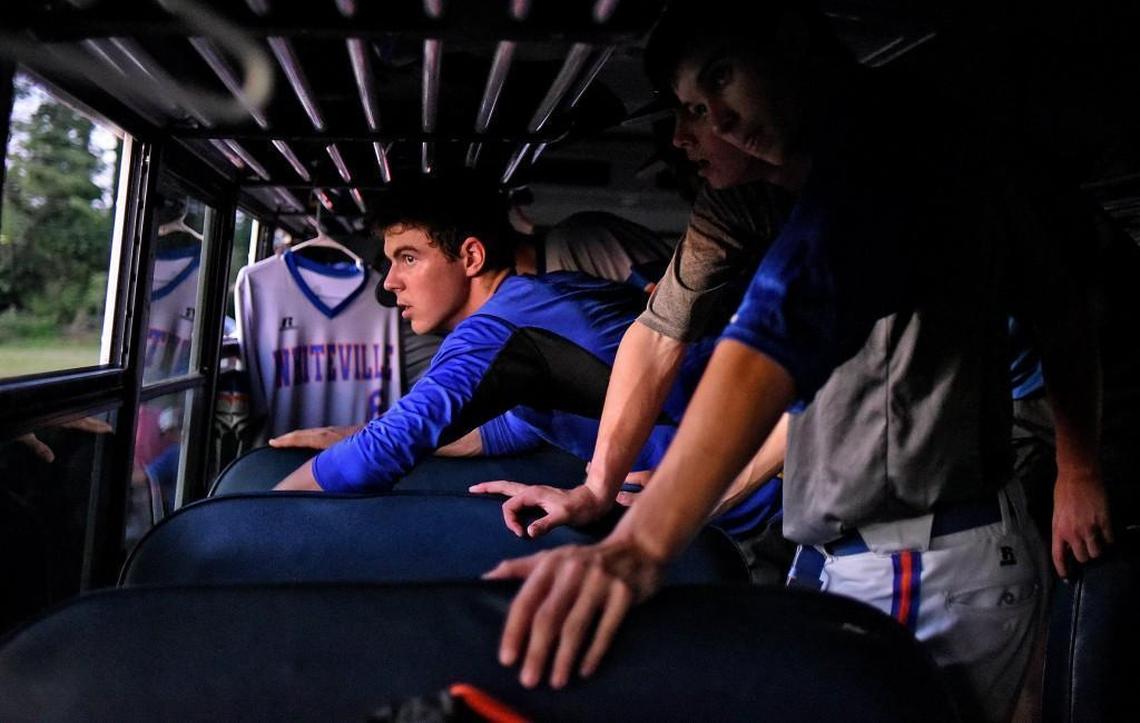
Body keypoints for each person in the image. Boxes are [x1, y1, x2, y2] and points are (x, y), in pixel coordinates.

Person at [483, 2, 1111, 720]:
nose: (712, 123)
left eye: (722, 80)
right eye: (691, 106)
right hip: (846, 547)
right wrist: (601, 485)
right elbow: (661, 335)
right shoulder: (750, 197)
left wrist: (639, 546)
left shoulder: (895, 146)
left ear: (787, 37)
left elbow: (779, 324)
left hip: (927, 550)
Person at [272, 173, 776, 543]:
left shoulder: (500, 328)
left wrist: (245, 518)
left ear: (470, 257)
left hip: (769, 499)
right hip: (761, 509)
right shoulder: (543, 301)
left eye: (408, 257)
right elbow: (509, 428)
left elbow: (385, 453)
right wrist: (350, 435)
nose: (390, 282)